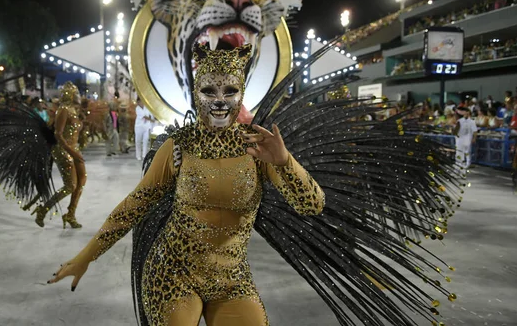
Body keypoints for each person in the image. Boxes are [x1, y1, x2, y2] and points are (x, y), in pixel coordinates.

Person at [48, 45, 326, 325]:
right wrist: (86, 257)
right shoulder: (179, 145)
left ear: (241, 94)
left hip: (232, 279)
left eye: (230, 91)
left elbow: (312, 204)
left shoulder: (257, 147)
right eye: (209, 92)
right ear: (196, 93)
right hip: (173, 272)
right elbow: (133, 206)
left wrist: (284, 161)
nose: (220, 101)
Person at [25, 82, 87, 229]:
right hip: (62, 150)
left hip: (74, 149)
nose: (79, 95)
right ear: (69, 95)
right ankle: (43, 209)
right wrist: (71, 151)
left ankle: (70, 215)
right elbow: (58, 134)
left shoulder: (74, 110)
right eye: (76, 93)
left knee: (81, 182)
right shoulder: (63, 110)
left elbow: (76, 130)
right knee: (70, 186)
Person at [453, 106, 477, 171]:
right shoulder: (459, 121)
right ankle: (459, 168)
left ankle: (467, 164)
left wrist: (474, 138)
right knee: (460, 154)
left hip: (466, 139)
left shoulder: (471, 121)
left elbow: (475, 130)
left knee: (466, 152)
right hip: (459, 139)